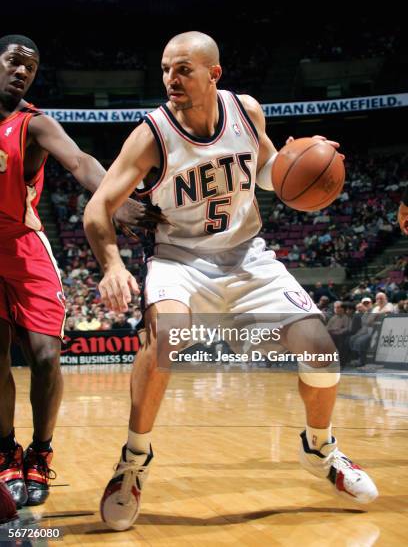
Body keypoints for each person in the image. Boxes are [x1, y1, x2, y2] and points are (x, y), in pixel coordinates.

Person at [84, 31, 378, 531]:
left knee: (321, 351)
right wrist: (112, 265)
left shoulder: (247, 110)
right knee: (165, 343)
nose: (170, 80)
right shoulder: (152, 133)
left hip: (247, 256)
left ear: (213, 73)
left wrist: (297, 158)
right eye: (165, 70)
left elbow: (266, 169)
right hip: (180, 258)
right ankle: (133, 462)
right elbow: (98, 209)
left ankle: (321, 449)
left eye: (183, 70)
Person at [0, 34, 163, 508]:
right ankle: (7, 451)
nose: (22, 71)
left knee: (46, 356)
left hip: (24, 247)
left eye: (30, 66)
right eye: (14, 61)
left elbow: (80, 161)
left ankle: (41, 451)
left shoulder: (34, 124)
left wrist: (116, 201)